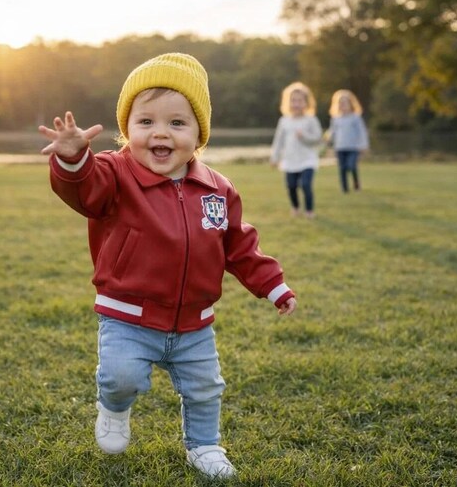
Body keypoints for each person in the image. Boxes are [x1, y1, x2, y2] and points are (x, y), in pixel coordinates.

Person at [38, 52, 297, 479]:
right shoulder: (114, 174)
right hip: (128, 315)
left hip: (195, 322)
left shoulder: (217, 189)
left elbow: (239, 245)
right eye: (146, 123)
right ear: (127, 130)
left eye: (177, 123)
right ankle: (114, 410)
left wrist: (273, 286)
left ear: (199, 134)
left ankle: (204, 445)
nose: (161, 133)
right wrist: (72, 159)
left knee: (205, 389)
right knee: (122, 378)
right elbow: (83, 191)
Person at [270, 82, 323, 219]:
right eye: (293, 100)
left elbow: (318, 138)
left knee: (306, 185)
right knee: (291, 186)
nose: (296, 104)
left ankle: (310, 211)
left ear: (306, 103)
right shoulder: (284, 121)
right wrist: (275, 158)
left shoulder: (311, 120)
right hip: (290, 160)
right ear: (288, 103)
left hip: (307, 160)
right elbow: (279, 141)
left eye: (300, 100)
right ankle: (295, 207)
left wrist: (304, 136)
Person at [328, 89, 369, 193]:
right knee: (342, 169)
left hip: (353, 147)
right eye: (340, 103)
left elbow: (362, 132)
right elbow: (332, 132)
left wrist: (363, 145)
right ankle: (344, 189)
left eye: (345, 103)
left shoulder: (355, 118)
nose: (343, 105)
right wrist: (328, 138)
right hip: (340, 147)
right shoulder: (336, 119)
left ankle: (356, 185)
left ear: (351, 104)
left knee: (351, 166)